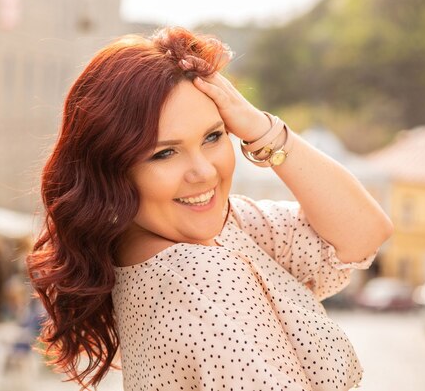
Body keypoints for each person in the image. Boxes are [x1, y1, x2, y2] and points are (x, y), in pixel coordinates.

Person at [26, 27, 393, 391]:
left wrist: (259, 127)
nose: (203, 172)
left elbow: (363, 233)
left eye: (213, 136)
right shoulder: (199, 277)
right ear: (112, 169)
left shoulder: (218, 226)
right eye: (164, 152)